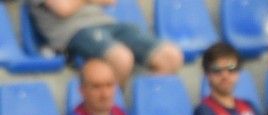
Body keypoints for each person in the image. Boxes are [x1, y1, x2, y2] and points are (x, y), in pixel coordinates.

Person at [28, 0, 182, 83]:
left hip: (107, 24)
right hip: (74, 32)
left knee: (171, 56)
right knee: (122, 58)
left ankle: (138, 105)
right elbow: (63, 8)